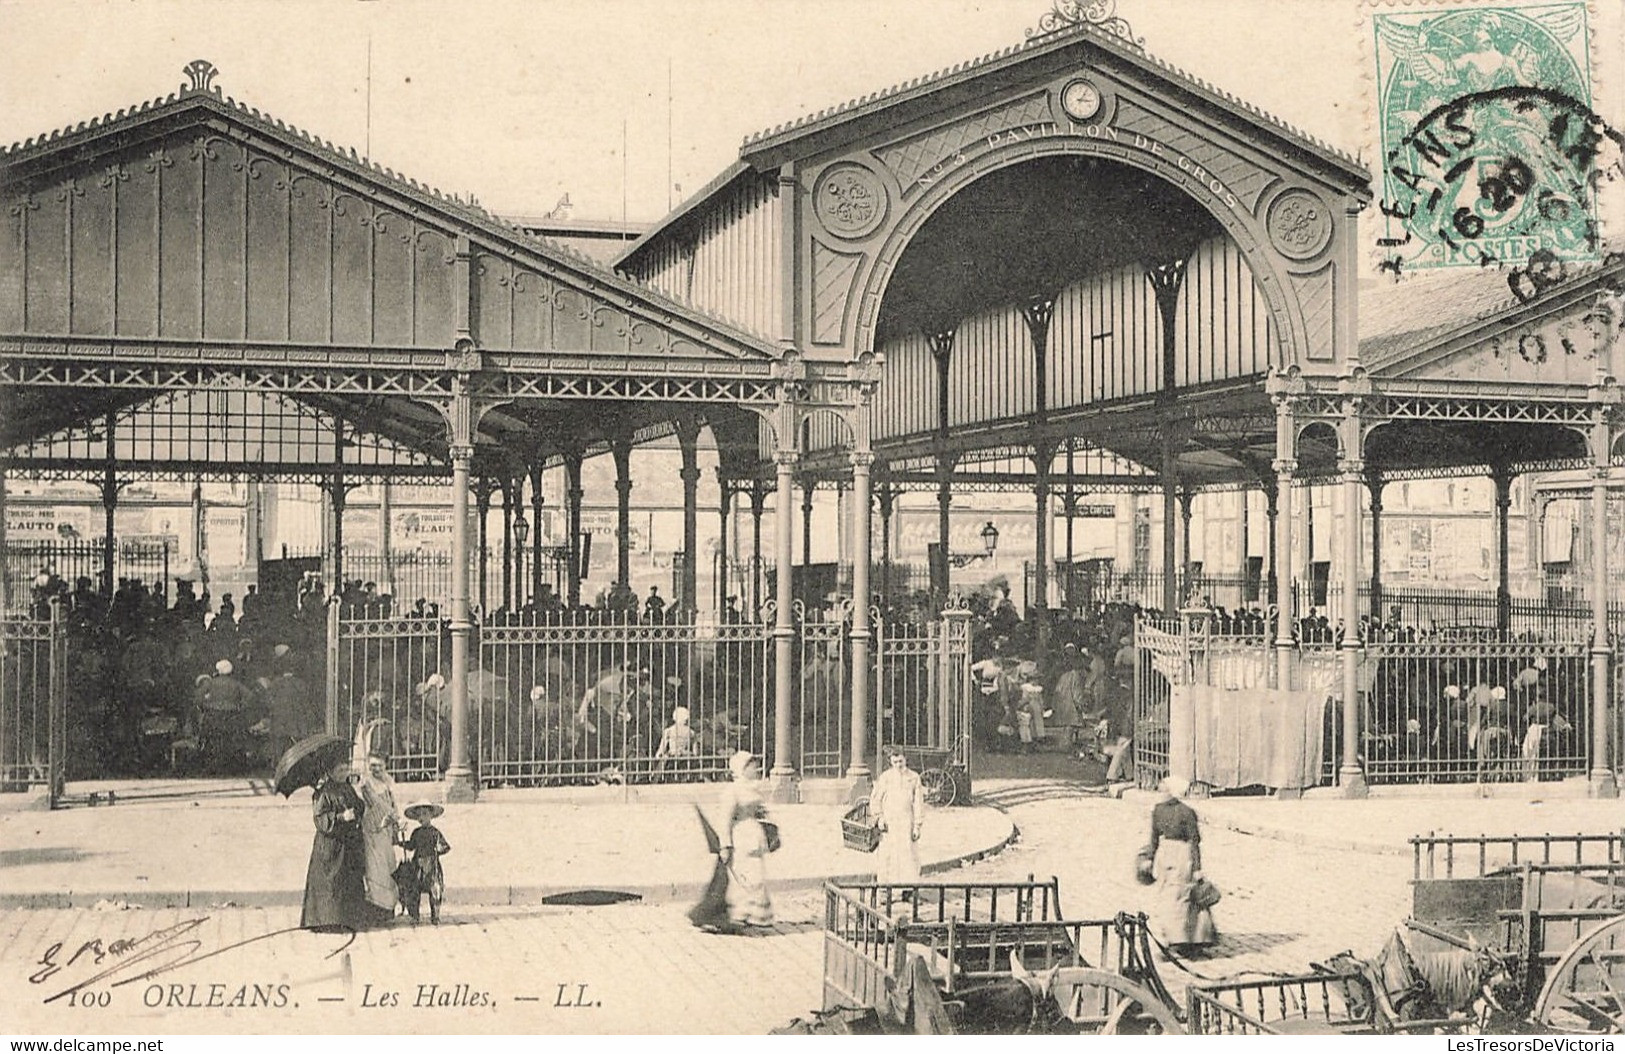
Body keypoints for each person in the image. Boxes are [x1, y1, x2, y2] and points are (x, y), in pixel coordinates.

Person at [1147, 780, 1216, 954]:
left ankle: (1172, 935)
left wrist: (1151, 858)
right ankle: (1186, 939)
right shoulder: (1187, 812)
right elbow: (1194, 841)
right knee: (1183, 896)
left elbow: (1154, 838)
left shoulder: (1158, 810)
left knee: (1167, 896)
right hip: (1182, 855)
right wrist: (1198, 868)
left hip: (1165, 854)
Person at [301, 758, 368, 932]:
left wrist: (358, 808)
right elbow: (320, 819)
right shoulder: (323, 792)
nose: (344, 773)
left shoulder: (347, 788)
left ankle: (349, 919)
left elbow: (358, 806)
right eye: (340, 770)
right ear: (330, 772)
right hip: (330, 845)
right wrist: (340, 817)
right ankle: (327, 921)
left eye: (346, 769)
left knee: (348, 880)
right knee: (331, 882)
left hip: (348, 844)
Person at [718, 750, 773, 931]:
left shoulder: (752, 788)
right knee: (745, 878)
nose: (754, 769)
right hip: (741, 836)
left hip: (754, 834)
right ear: (741, 769)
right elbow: (724, 819)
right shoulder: (732, 791)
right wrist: (725, 845)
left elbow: (757, 809)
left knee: (756, 875)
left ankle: (754, 915)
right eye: (750, 766)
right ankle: (740, 914)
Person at [353, 723, 401, 925]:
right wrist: (390, 815)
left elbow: (393, 802)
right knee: (375, 868)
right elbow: (376, 803)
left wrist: (396, 821)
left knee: (388, 866)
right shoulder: (366, 784)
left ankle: (388, 910)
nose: (376, 769)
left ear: (386, 765)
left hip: (385, 831)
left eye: (379, 766)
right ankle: (375, 910)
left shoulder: (389, 781)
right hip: (372, 829)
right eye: (372, 766)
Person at [869, 747, 926, 884]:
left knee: (908, 857)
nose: (898, 765)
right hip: (889, 824)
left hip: (907, 822)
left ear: (906, 759)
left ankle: (908, 889)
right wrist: (879, 818)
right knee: (887, 856)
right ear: (890, 762)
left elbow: (918, 803)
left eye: (901, 761)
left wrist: (917, 826)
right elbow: (875, 800)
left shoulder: (913, 778)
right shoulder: (885, 778)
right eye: (895, 762)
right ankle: (885, 890)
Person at [400, 800, 451, 925]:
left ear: (431, 816)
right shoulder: (416, 833)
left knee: (435, 889)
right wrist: (401, 842)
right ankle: (415, 916)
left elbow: (446, 847)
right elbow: (411, 846)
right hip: (418, 865)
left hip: (432, 865)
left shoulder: (435, 833)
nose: (422, 817)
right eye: (419, 815)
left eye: (425, 814)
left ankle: (435, 916)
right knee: (414, 889)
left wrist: (439, 849)